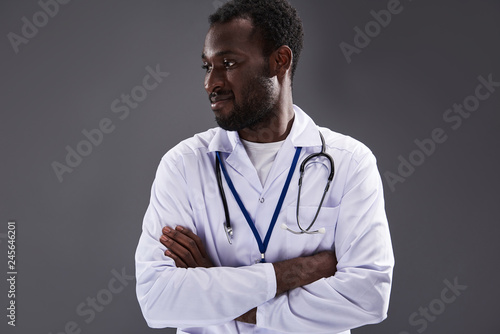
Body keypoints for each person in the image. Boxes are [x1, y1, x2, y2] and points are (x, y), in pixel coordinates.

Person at [135, 0, 394, 333]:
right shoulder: (183, 166)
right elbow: (158, 301)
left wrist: (218, 285)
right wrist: (290, 273)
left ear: (279, 61)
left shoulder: (349, 163)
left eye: (228, 63)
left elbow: (368, 296)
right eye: (207, 66)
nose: (210, 82)